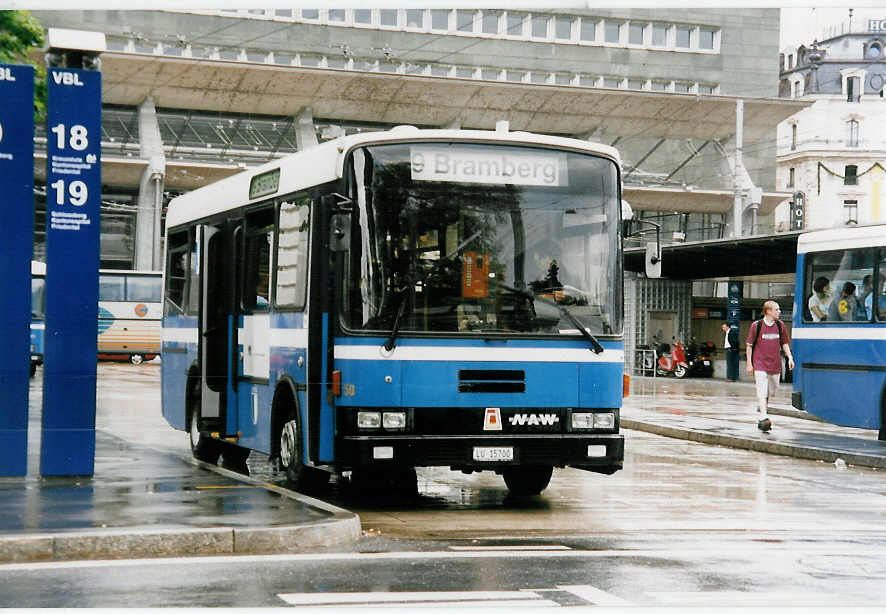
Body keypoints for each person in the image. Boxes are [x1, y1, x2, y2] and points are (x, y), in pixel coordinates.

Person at [746, 300, 794, 432]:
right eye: (777, 309)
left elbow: (784, 343)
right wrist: (750, 364)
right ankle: (763, 416)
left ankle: (762, 405)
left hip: (775, 364)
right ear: (768, 311)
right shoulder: (757, 326)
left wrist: (790, 357)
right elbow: (749, 346)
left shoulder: (780, 325)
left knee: (771, 391)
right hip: (760, 363)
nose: (779, 312)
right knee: (762, 390)